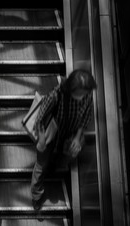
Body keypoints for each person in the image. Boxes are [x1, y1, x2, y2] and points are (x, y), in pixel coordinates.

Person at [31, 69, 97, 210]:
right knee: (41, 165)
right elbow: (39, 120)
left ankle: (55, 165)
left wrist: (78, 138)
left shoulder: (87, 95)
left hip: (68, 135)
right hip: (51, 135)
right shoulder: (56, 95)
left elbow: (85, 118)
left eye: (85, 93)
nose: (83, 96)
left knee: (66, 156)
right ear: (71, 89)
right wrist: (41, 141)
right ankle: (36, 195)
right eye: (80, 94)